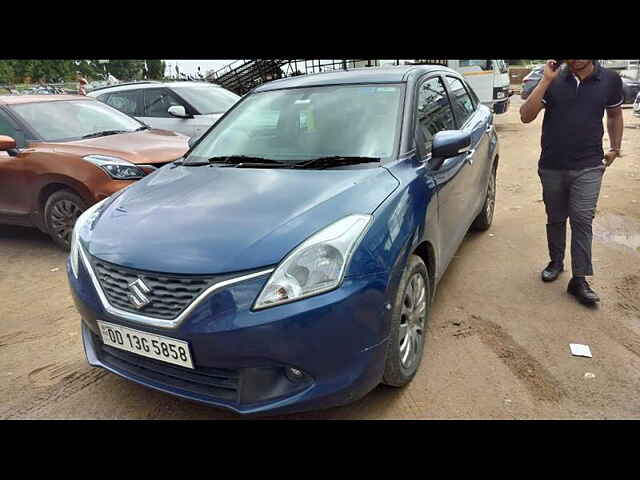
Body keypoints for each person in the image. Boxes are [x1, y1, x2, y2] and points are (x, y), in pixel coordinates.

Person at [520, 60, 624, 306]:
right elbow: (525, 116)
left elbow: (615, 114)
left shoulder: (609, 79)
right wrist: (545, 80)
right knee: (555, 217)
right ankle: (556, 262)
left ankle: (579, 279)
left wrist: (615, 148)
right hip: (552, 165)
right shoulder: (553, 78)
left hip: (589, 165)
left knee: (582, 219)